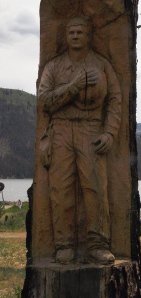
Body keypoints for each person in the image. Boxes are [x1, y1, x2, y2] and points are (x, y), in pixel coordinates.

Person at [38, 17, 121, 265]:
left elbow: (115, 100)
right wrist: (74, 86)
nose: (75, 35)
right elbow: (44, 101)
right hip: (61, 130)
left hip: (92, 130)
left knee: (96, 188)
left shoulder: (102, 65)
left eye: (80, 32)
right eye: (71, 31)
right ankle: (64, 245)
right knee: (60, 189)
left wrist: (109, 132)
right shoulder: (54, 67)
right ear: (66, 36)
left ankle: (97, 244)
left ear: (88, 36)